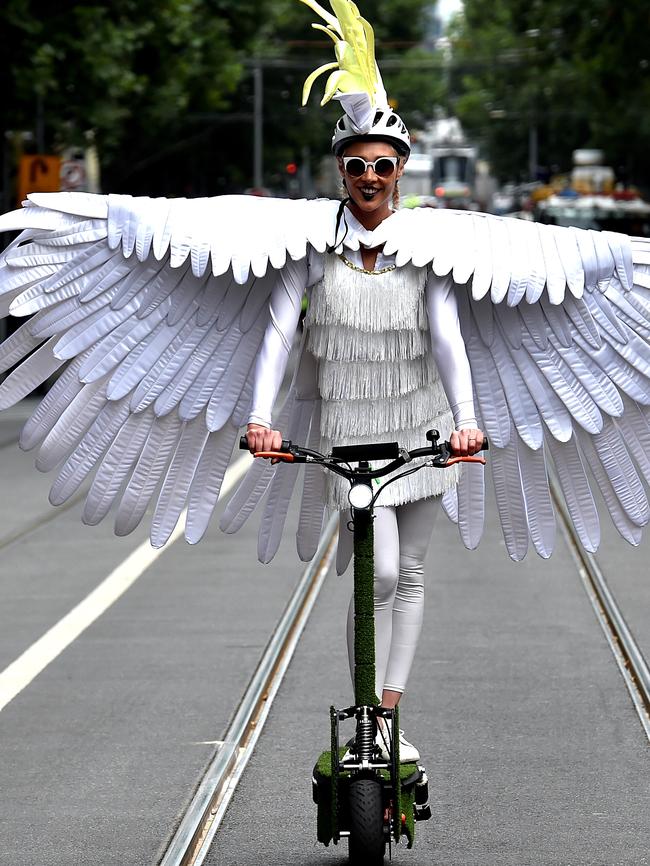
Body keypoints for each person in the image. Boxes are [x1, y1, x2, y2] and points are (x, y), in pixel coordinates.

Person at [244, 106, 485, 762]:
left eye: (383, 165)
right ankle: (365, 709)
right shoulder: (313, 249)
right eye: (357, 166)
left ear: (401, 169)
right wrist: (260, 421)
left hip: (424, 429)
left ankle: (383, 719)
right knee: (373, 575)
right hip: (351, 432)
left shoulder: (426, 249)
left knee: (407, 572)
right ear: (341, 173)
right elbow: (275, 335)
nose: (370, 176)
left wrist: (466, 423)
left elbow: (447, 337)